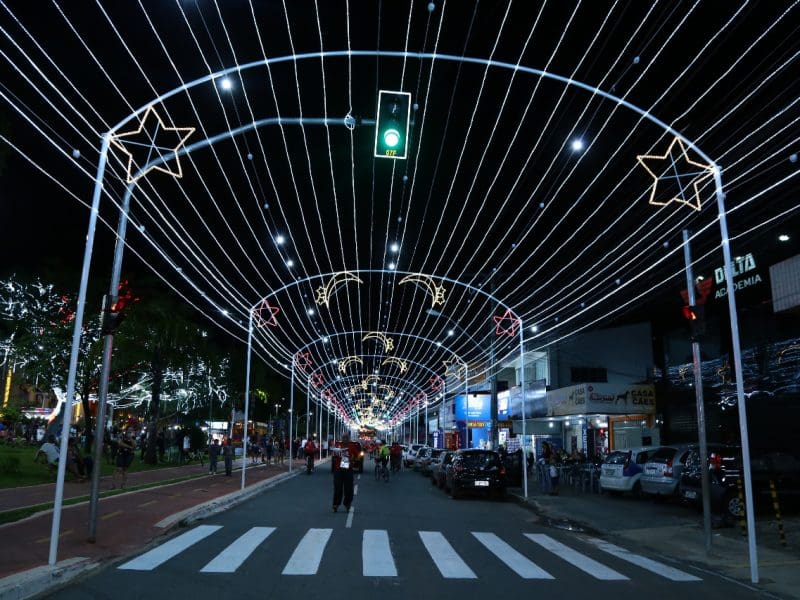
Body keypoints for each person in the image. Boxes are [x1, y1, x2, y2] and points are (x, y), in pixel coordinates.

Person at [330, 433, 358, 512]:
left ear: (349, 438)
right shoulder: (338, 445)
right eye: (344, 437)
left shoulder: (351, 446)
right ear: (342, 438)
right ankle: (335, 504)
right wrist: (335, 454)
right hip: (338, 470)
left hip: (348, 469)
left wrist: (353, 460)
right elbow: (333, 454)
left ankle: (347, 503)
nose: (345, 439)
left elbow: (357, 455)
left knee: (348, 489)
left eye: (346, 438)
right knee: (337, 488)